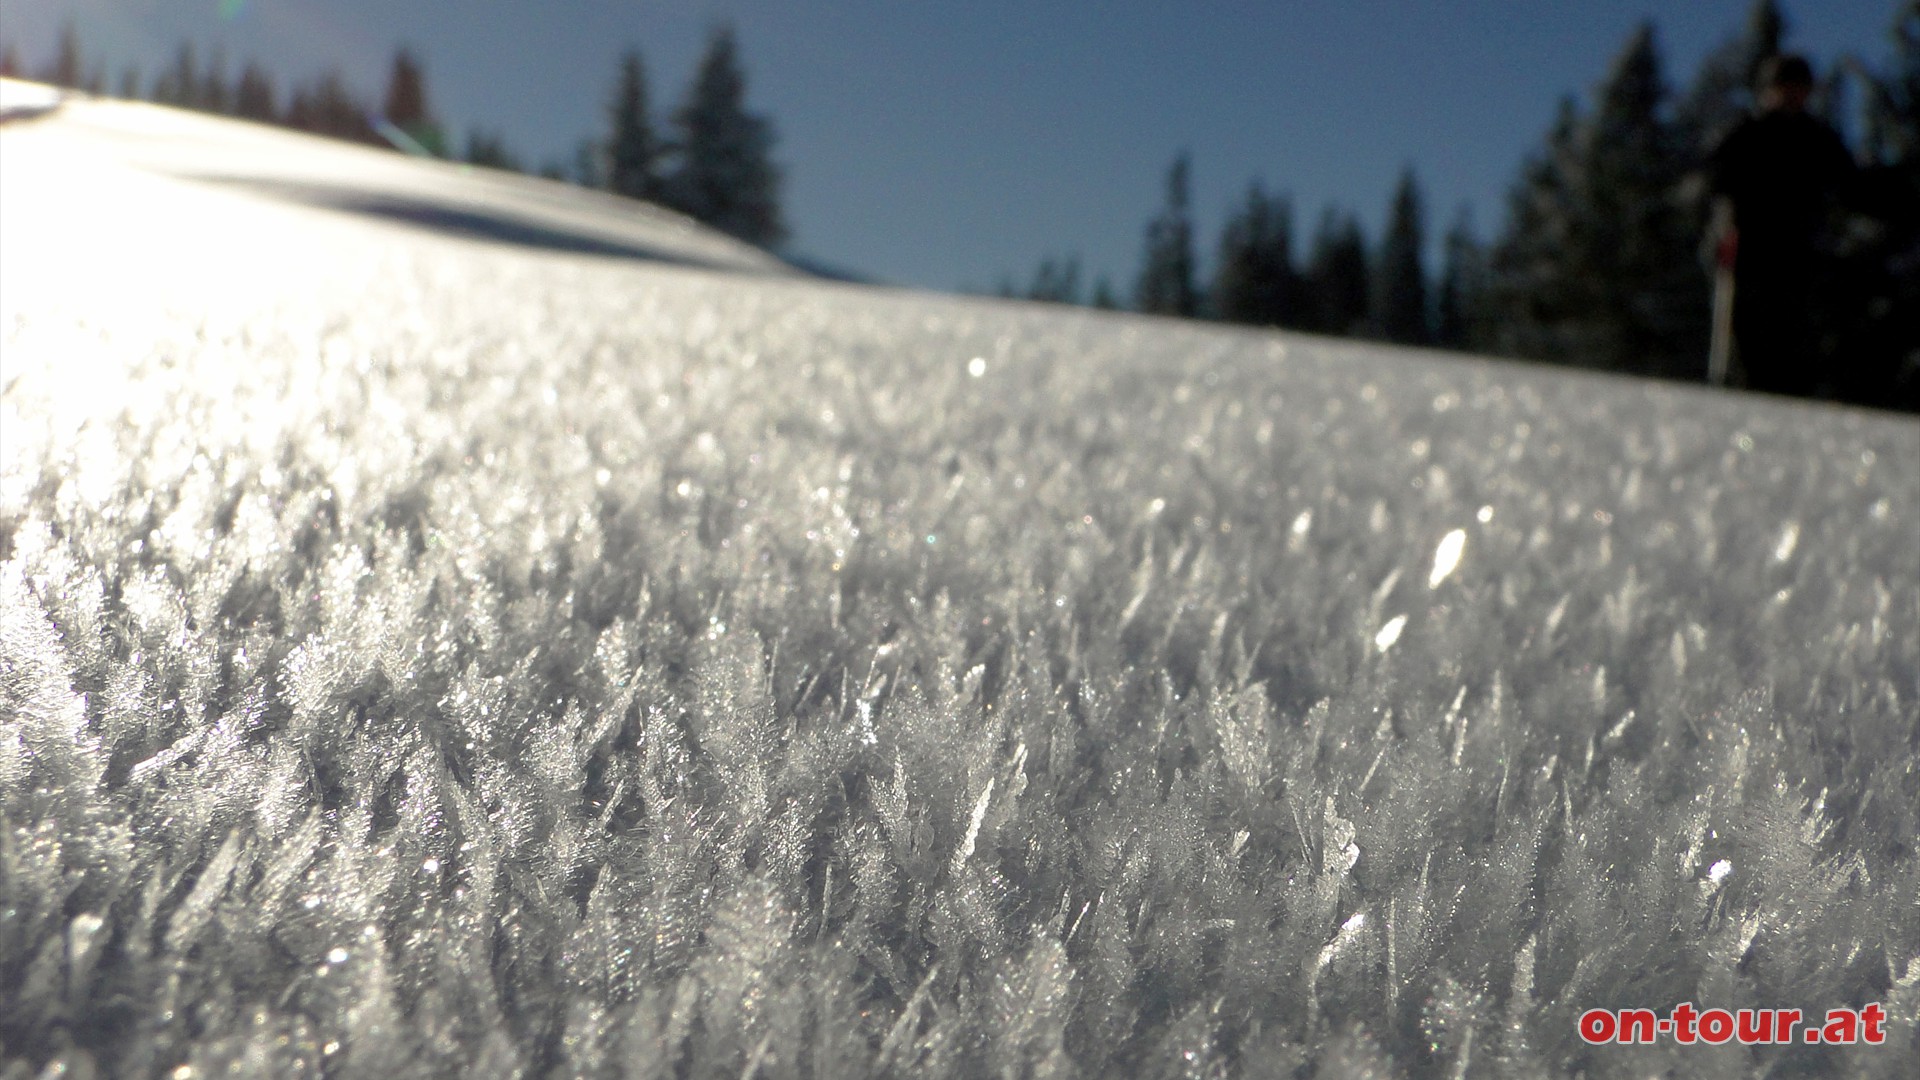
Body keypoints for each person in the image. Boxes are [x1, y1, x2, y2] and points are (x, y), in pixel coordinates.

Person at [1707, 54, 1855, 397]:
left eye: (1799, 89)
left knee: (1795, 335)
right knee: (1749, 333)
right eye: (1784, 88)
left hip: (1799, 252)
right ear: (1768, 90)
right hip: (1752, 248)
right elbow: (1716, 179)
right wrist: (1723, 221)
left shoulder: (1817, 139)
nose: (1791, 96)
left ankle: (1791, 397)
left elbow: (1848, 182)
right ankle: (1743, 392)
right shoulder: (1747, 133)